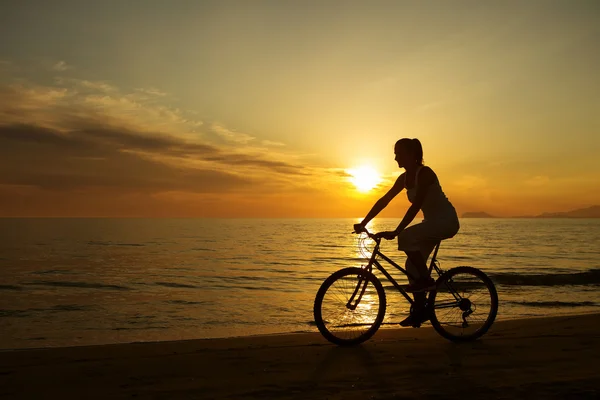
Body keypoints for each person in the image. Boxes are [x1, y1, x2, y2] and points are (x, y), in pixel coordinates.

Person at [353, 138, 460, 327]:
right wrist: (364, 222)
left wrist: (397, 231)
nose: (395, 157)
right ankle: (420, 311)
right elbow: (384, 200)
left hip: (446, 221)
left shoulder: (425, 173)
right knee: (411, 266)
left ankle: (427, 280)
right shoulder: (403, 179)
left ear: (411, 154)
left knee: (406, 237)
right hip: (431, 223)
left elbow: (416, 206)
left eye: (398, 153)